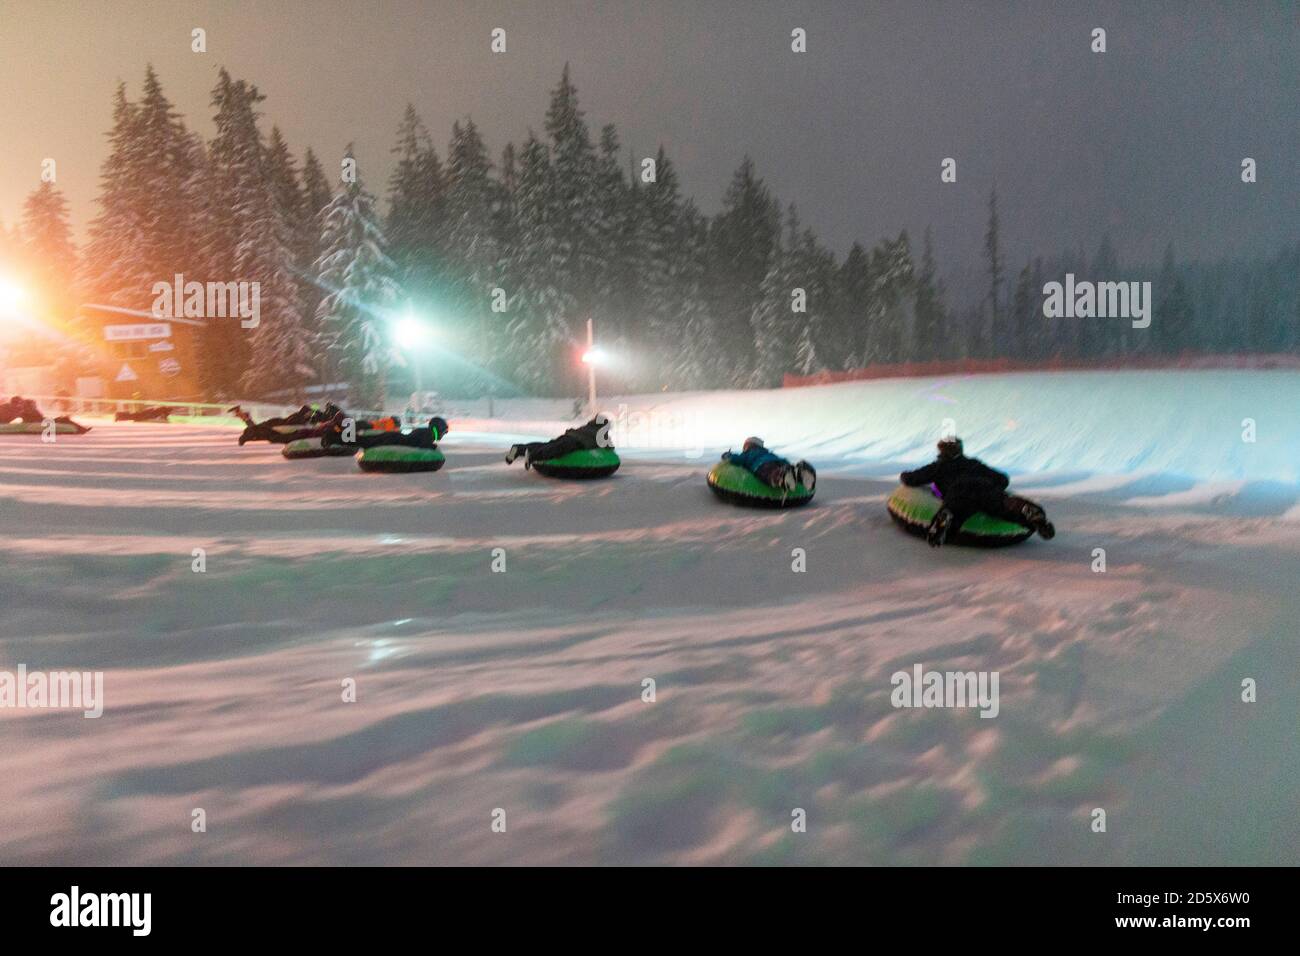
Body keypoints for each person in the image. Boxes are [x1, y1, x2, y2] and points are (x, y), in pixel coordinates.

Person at [900, 437, 1054, 547]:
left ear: (941, 452)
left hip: (959, 491)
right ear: (960, 450)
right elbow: (1002, 479)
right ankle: (1025, 510)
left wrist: (904, 475)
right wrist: (993, 487)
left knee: (956, 510)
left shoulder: (938, 467)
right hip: (984, 487)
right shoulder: (974, 464)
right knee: (1002, 506)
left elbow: (912, 479)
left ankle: (945, 519)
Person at [505, 414, 613, 469]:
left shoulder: (587, 426)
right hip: (576, 442)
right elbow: (609, 447)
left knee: (548, 445)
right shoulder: (601, 433)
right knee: (557, 450)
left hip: (569, 435)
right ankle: (533, 456)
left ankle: (519, 448)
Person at [720, 437, 816, 492]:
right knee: (783, 468)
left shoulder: (747, 454)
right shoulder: (767, 452)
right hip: (778, 461)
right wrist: (787, 464)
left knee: (770, 473)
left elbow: (737, 459)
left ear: (747, 446)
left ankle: (782, 477)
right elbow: (782, 460)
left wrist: (727, 455)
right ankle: (798, 472)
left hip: (761, 465)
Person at [321, 416, 448, 449]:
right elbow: (423, 444)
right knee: (362, 441)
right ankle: (332, 437)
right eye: (444, 432)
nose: (443, 435)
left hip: (393, 437)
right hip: (392, 439)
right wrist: (432, 446)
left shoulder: (425, 432)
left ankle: (333, 437)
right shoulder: (427, 434)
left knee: (361, 441)